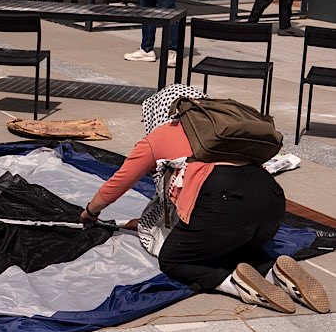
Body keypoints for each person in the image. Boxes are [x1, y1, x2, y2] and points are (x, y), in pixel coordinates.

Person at [79, 84, 330, 315]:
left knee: (174, 259)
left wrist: (91, 210)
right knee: (230, 247)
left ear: (160, 109)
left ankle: (235, 284)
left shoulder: (159, 137)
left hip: (222, 199)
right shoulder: (220, 130)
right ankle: (275, 273)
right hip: (271, 201)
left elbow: (118, 183)